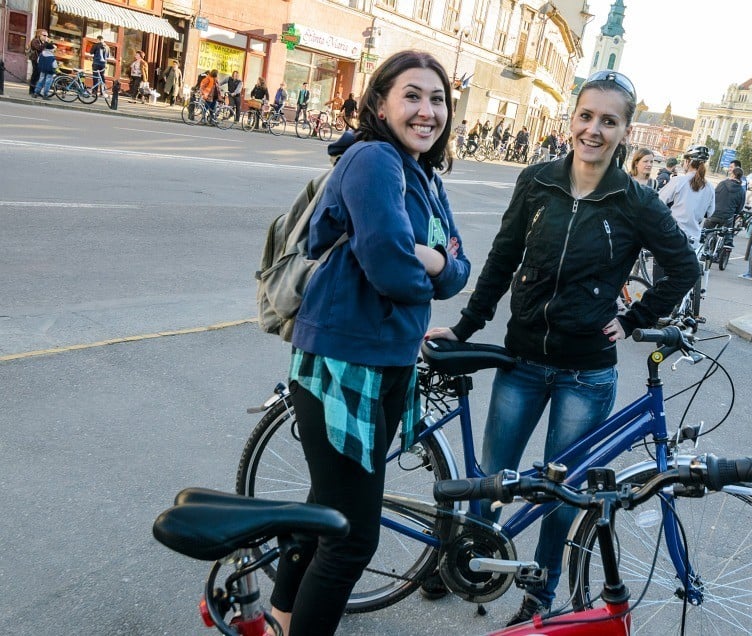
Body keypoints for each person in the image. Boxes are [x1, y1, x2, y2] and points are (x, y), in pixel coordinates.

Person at [424, 69, 700, 627]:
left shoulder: (636, 201)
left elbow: (684, 268)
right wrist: (467, 325)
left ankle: (540, 595)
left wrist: (635, 319)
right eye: (586, 116)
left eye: (608, 121)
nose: (593, 130)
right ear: (571, 118)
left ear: (625, 130)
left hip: (585, 374)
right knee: (492, 474)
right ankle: (463, 560)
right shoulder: (537, 181)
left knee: (558, 493)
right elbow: (503, 258)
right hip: (522, 361)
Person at [268, 50, 470, 636]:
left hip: (384, 365)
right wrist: (433, 264)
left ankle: (281, 619)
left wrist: (433, 260)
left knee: (327, 513)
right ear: (380, 103)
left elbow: (459, 270)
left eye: (437, 99)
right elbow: (389, 267)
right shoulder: (374, 160)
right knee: (354, 539)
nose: (427, 110)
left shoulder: (425, 176)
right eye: (412, 95)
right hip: (342, 364)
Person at [658, 145, 716, 247]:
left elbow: (658, 201)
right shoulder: (710, 187)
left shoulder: (678, 181)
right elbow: (709, 213)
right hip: (693, 240)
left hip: (673, 235)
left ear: (688, 162)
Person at [705, 166, 745, 235]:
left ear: (732, 174)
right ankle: (723, 241)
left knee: (705, 232)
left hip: (714, 213)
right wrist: (734, 212)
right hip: (727, 217)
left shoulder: (722, 183)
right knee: (724, 234)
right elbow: (740, 207)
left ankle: (703, 241)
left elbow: (713, 196)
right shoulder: (741, 190)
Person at [27, 29, 48, 95]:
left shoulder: (42, 42)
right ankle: (31, 90)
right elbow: (39, 48)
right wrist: (46, 43)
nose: (46, 37)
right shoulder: (35, 41)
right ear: (39, 35)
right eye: (44, 35)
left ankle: (36, 90)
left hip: (40, 60)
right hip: (35, 59)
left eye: (47, 36)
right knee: (35, 75)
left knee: (38, 75)